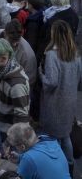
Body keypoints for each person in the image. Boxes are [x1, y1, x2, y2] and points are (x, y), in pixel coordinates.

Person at [39, 20, 82, 174]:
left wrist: (41, 74)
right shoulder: (76, 54)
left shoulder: (52, 55)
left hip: (55, 103)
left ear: (54, 34)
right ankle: (69, 165)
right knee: (65, 135)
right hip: (70, 101)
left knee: (53, 138)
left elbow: (51, 82)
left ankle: (56, 168)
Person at [0, 38, 30, 133]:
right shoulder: (3, 73)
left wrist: (11, 139)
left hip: (9, 133)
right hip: (1, 127)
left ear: (4, 58)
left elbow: (22, 118)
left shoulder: (17, 85)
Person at [4, 122, 70, 179]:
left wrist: (3, 175)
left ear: (22, 147)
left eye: (14, 146)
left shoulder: (28, 159)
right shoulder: (49, 140)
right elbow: (41, 159)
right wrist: (20, 158)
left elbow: (19, 177)